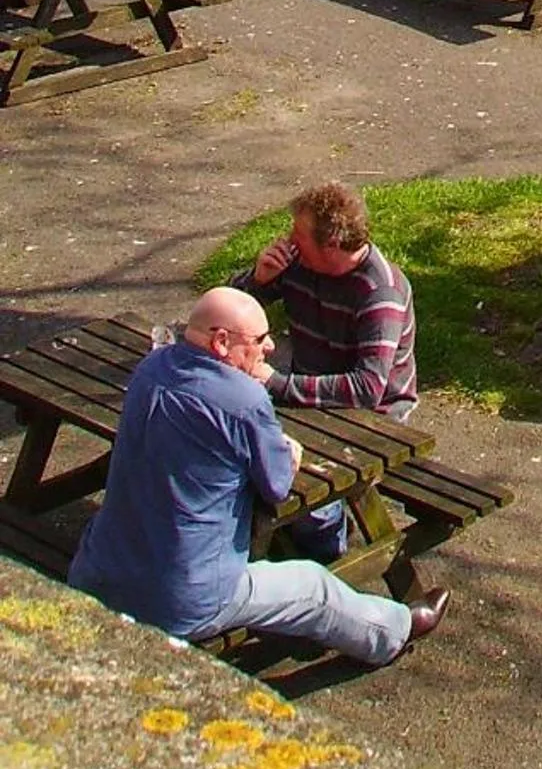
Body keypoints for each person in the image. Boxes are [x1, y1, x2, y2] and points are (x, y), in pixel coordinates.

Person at [68, 286, 445, 664]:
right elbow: (278, 486)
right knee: (312, 588)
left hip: (97, 571)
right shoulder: (243, 399)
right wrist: (288, 453)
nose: (269, 349)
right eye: (260, 340)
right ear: (221, 341)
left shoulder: (151, 368)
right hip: (183, 599)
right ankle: (395, 630)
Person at [234, 180, 419, 565]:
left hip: (370, 418)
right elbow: (226, 314)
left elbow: (368, 388)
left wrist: (277, 383)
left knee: (304, 492)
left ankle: (325, 564)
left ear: (331, 244)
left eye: (298, 234)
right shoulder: (299, 264)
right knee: (231, 443)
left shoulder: (379, 293)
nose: (289, 240)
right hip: (307, 397)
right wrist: (257, 280)